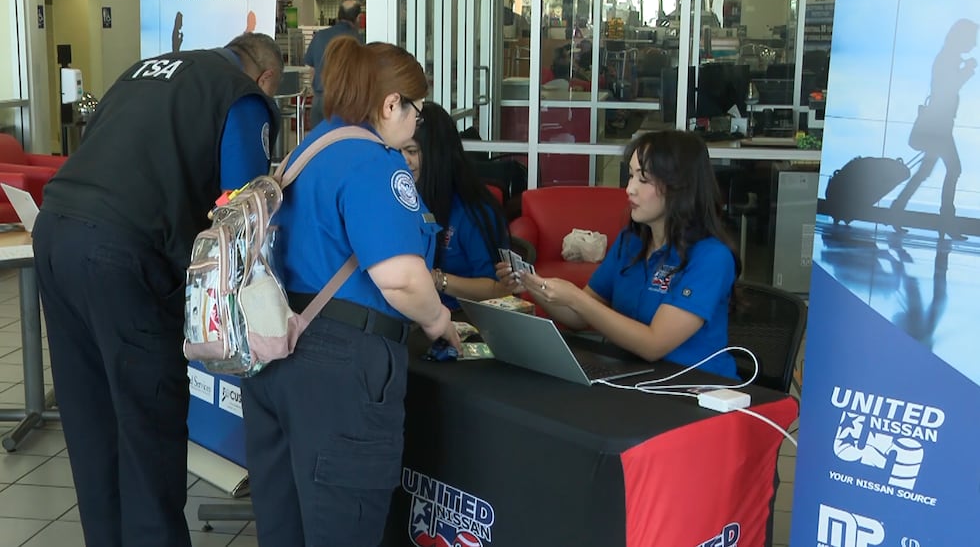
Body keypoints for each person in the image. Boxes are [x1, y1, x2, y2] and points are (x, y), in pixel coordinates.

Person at [31, 32, 284, 547]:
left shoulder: (143, 70)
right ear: (263, 77)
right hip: (124, 256)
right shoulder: (239, 95)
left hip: (55, 233)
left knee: (92, 426)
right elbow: (243, 211)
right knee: (147, 432)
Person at [242, 37, 462, 547]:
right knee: (342, 525)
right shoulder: (374, 163)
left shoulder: (308, 148)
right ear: (390, 104)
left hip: (276, 352)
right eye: (417, 112)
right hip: (341, 372)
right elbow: (402, 277)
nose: (415, 124)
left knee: (286, 525)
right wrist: (437, 323)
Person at [497, 130, 740, 378]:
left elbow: (653, 344)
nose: (629, 189)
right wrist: (531, 286)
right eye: (631, 176)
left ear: (680, 187)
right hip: (632, 378)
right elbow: (578, 318)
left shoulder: (712, 257)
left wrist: (575, 298)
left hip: (695, 388)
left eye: (643, 180)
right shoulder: (631, 242)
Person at [401, 102, 512, 309]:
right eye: (396, 151)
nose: (402, 161)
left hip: (460, 318)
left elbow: (499, 289)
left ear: (437, 154)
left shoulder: (472, 211)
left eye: (411, 151)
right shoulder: (401, 199)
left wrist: (436, 280)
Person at [891, 18, 977, 240]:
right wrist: (967, 71)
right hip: (939, 126)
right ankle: (946, 221)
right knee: (954, 169)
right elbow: (949, 88)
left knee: (926, 171)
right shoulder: (948, 59)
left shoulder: (947, 58)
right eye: (972, 38)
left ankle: (898, 209)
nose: (975, 43)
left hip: (939, 125)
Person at [303, 0, 362, 128]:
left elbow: (312, 71)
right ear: (358, 18)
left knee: (319, 144)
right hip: (345, 104)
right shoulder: (358, 40)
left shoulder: (319, 36)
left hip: (319, 101)